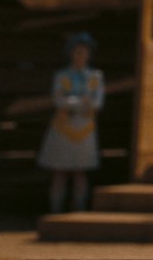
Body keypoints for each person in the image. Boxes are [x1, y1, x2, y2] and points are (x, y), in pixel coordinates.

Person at [39, 32, 105, 213]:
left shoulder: (96, 77)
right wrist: (79, 102)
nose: (81, 56)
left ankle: (78, 211)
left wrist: (75, 102)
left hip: (84, 128)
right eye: (77, 52)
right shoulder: (62, 76)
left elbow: (97, 102)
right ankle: (55, 211)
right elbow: (59, 101)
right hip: (63, 127)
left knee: (80, 172)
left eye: (84, 52)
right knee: (59, 171)